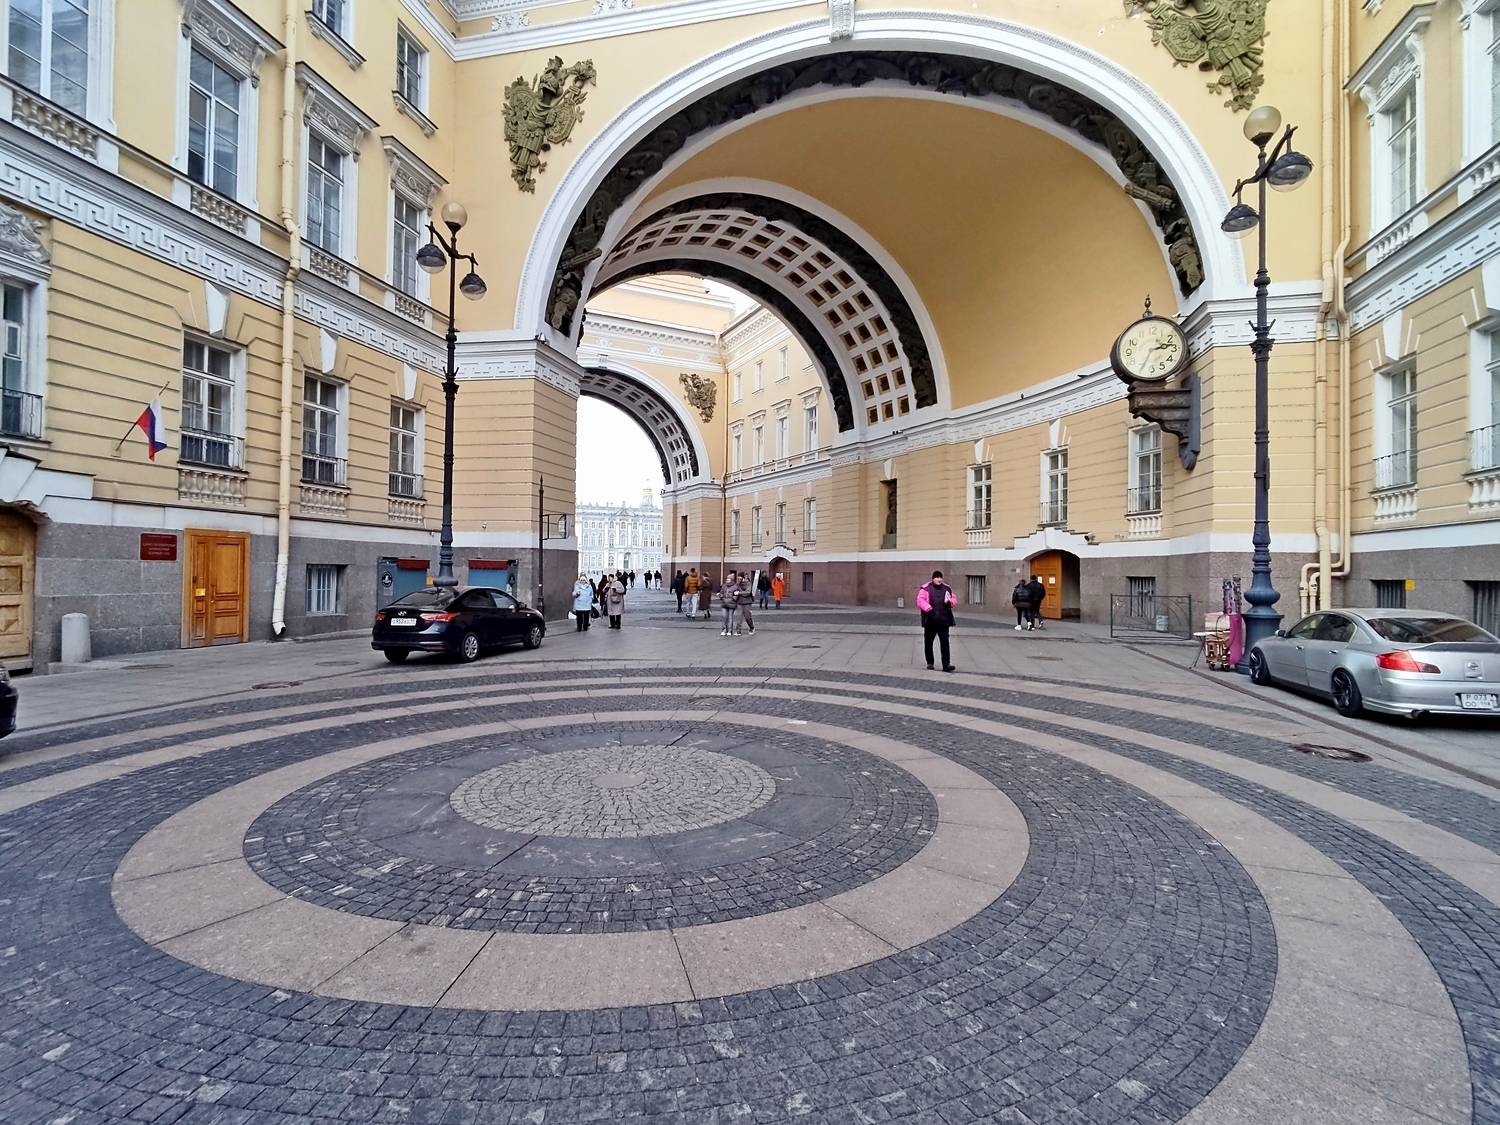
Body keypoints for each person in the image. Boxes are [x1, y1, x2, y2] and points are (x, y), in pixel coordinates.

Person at [917, 570, 957, 672]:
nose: (939, 579)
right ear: (933, 579)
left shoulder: (947, 588)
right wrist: (928, 609)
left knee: (945, 643)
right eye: (937, 577)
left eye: (940, 577)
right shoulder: (925, 588)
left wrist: (950, 602)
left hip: (944, 620)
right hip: (931, 620)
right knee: (928, 642)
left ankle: (946, 665)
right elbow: (920, 600)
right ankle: (930, 662)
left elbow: (953, 598)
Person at [734, 570, 755, 635]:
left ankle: (751, 627)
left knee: (747, 617)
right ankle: (738, 631)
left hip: (747, 602)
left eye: (740, 578)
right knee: (739, 617)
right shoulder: (737, 584)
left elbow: (747, 593)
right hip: (739, 602)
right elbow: (734, 590)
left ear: (743, 577)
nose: (738, 580)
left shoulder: (748, 583)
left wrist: (739, 593)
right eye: (738, 578)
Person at [719, 571, 739, 636]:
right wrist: (721, 597)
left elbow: (736, 595)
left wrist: (732, 599)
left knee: (730, 617)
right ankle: (724, 630)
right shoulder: (724, 586)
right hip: (724, 603)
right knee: (724, 617)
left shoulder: (735, 586)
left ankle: (729, 630)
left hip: (731, 604)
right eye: (727, 579)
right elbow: (721, 593)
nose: (727, 580)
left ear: (731, 579)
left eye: (728, 579)